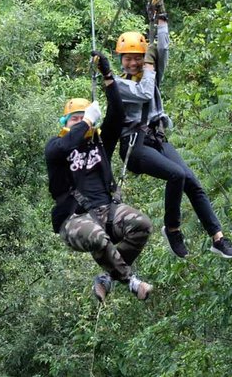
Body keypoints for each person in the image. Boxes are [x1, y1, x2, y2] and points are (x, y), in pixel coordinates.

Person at [106, 0, 232, 259]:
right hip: (134, 146)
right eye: (127, 59)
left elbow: (162, 50)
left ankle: (218, 238)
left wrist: (162, 19)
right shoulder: (120, 86)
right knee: (176, 175)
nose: (132, 63)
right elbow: (144, 93)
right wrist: (148, 64)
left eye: (137, 58)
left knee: (192, 182)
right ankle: (173, 229)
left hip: (156, 139)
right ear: (120, 60)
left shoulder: (150, 74)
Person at [45, 53, 154, 302]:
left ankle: (107, 277)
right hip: (74, 219)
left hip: (108, 211)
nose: (80, 121)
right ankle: (131, 281)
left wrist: (108, 77)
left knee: (142, 225)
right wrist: (85, 121)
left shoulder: (100, 142)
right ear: (66, 122)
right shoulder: (55, 146)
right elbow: (67, 146)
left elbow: (117, 114)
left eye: (83, 116)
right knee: (97, 237)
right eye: (75, 118)